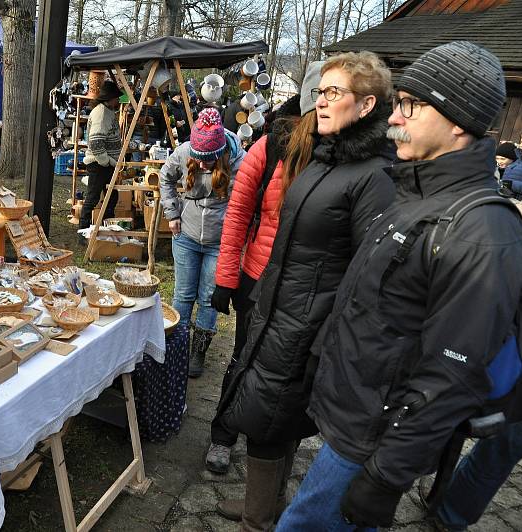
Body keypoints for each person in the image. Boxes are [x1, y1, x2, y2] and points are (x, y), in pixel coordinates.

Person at [277, 41, 522, 531]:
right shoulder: (413, 192)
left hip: (373, 438)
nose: (395, 117)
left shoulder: (483, 234)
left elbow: (453, 374)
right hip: (352, 417)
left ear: (458, 121)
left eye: (412, 105)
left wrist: (387, 476)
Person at [216, 51, 396, 531]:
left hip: (308, 323)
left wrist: (324, 335)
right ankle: (265, 503)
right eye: (319, 91)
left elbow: (367, 275)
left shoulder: (374, 177)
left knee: (270, 418)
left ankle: (258, 520)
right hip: (275, 308)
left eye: (334, 92)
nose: (320, 100)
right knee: (271, 415)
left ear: (366, 105)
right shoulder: (322, 157)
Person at [205, 64, 322, 481]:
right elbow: (237, 212)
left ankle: (277, 449)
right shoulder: (272, 146)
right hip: (258, 278)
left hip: (310, 289)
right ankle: (223, 434)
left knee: (293, 373)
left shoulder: (347, 155)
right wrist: (225, 278)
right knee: (243, 360)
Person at [159, 107, 245, 378]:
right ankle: (177, 346)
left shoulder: (238, 161)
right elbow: (166, 178)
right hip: (186, 236)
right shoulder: (184, 151)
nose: (204, 164)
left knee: (208, 297)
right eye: (200, 159)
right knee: (183, 294)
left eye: (210, 160)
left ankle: (198, 351)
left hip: (220, 241)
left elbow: (246, 202)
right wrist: (172, 213)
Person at [79, 80, 123, 230]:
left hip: (104, 163)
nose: (118, 100)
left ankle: (107, 228)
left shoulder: (106, 111)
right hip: (99, 164)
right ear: (110, 98)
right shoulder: (101, 113)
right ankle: (83, 229)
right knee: (92, 198)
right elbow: (96, 142)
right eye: (116, 98)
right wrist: (107, 161)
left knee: (112, 196)